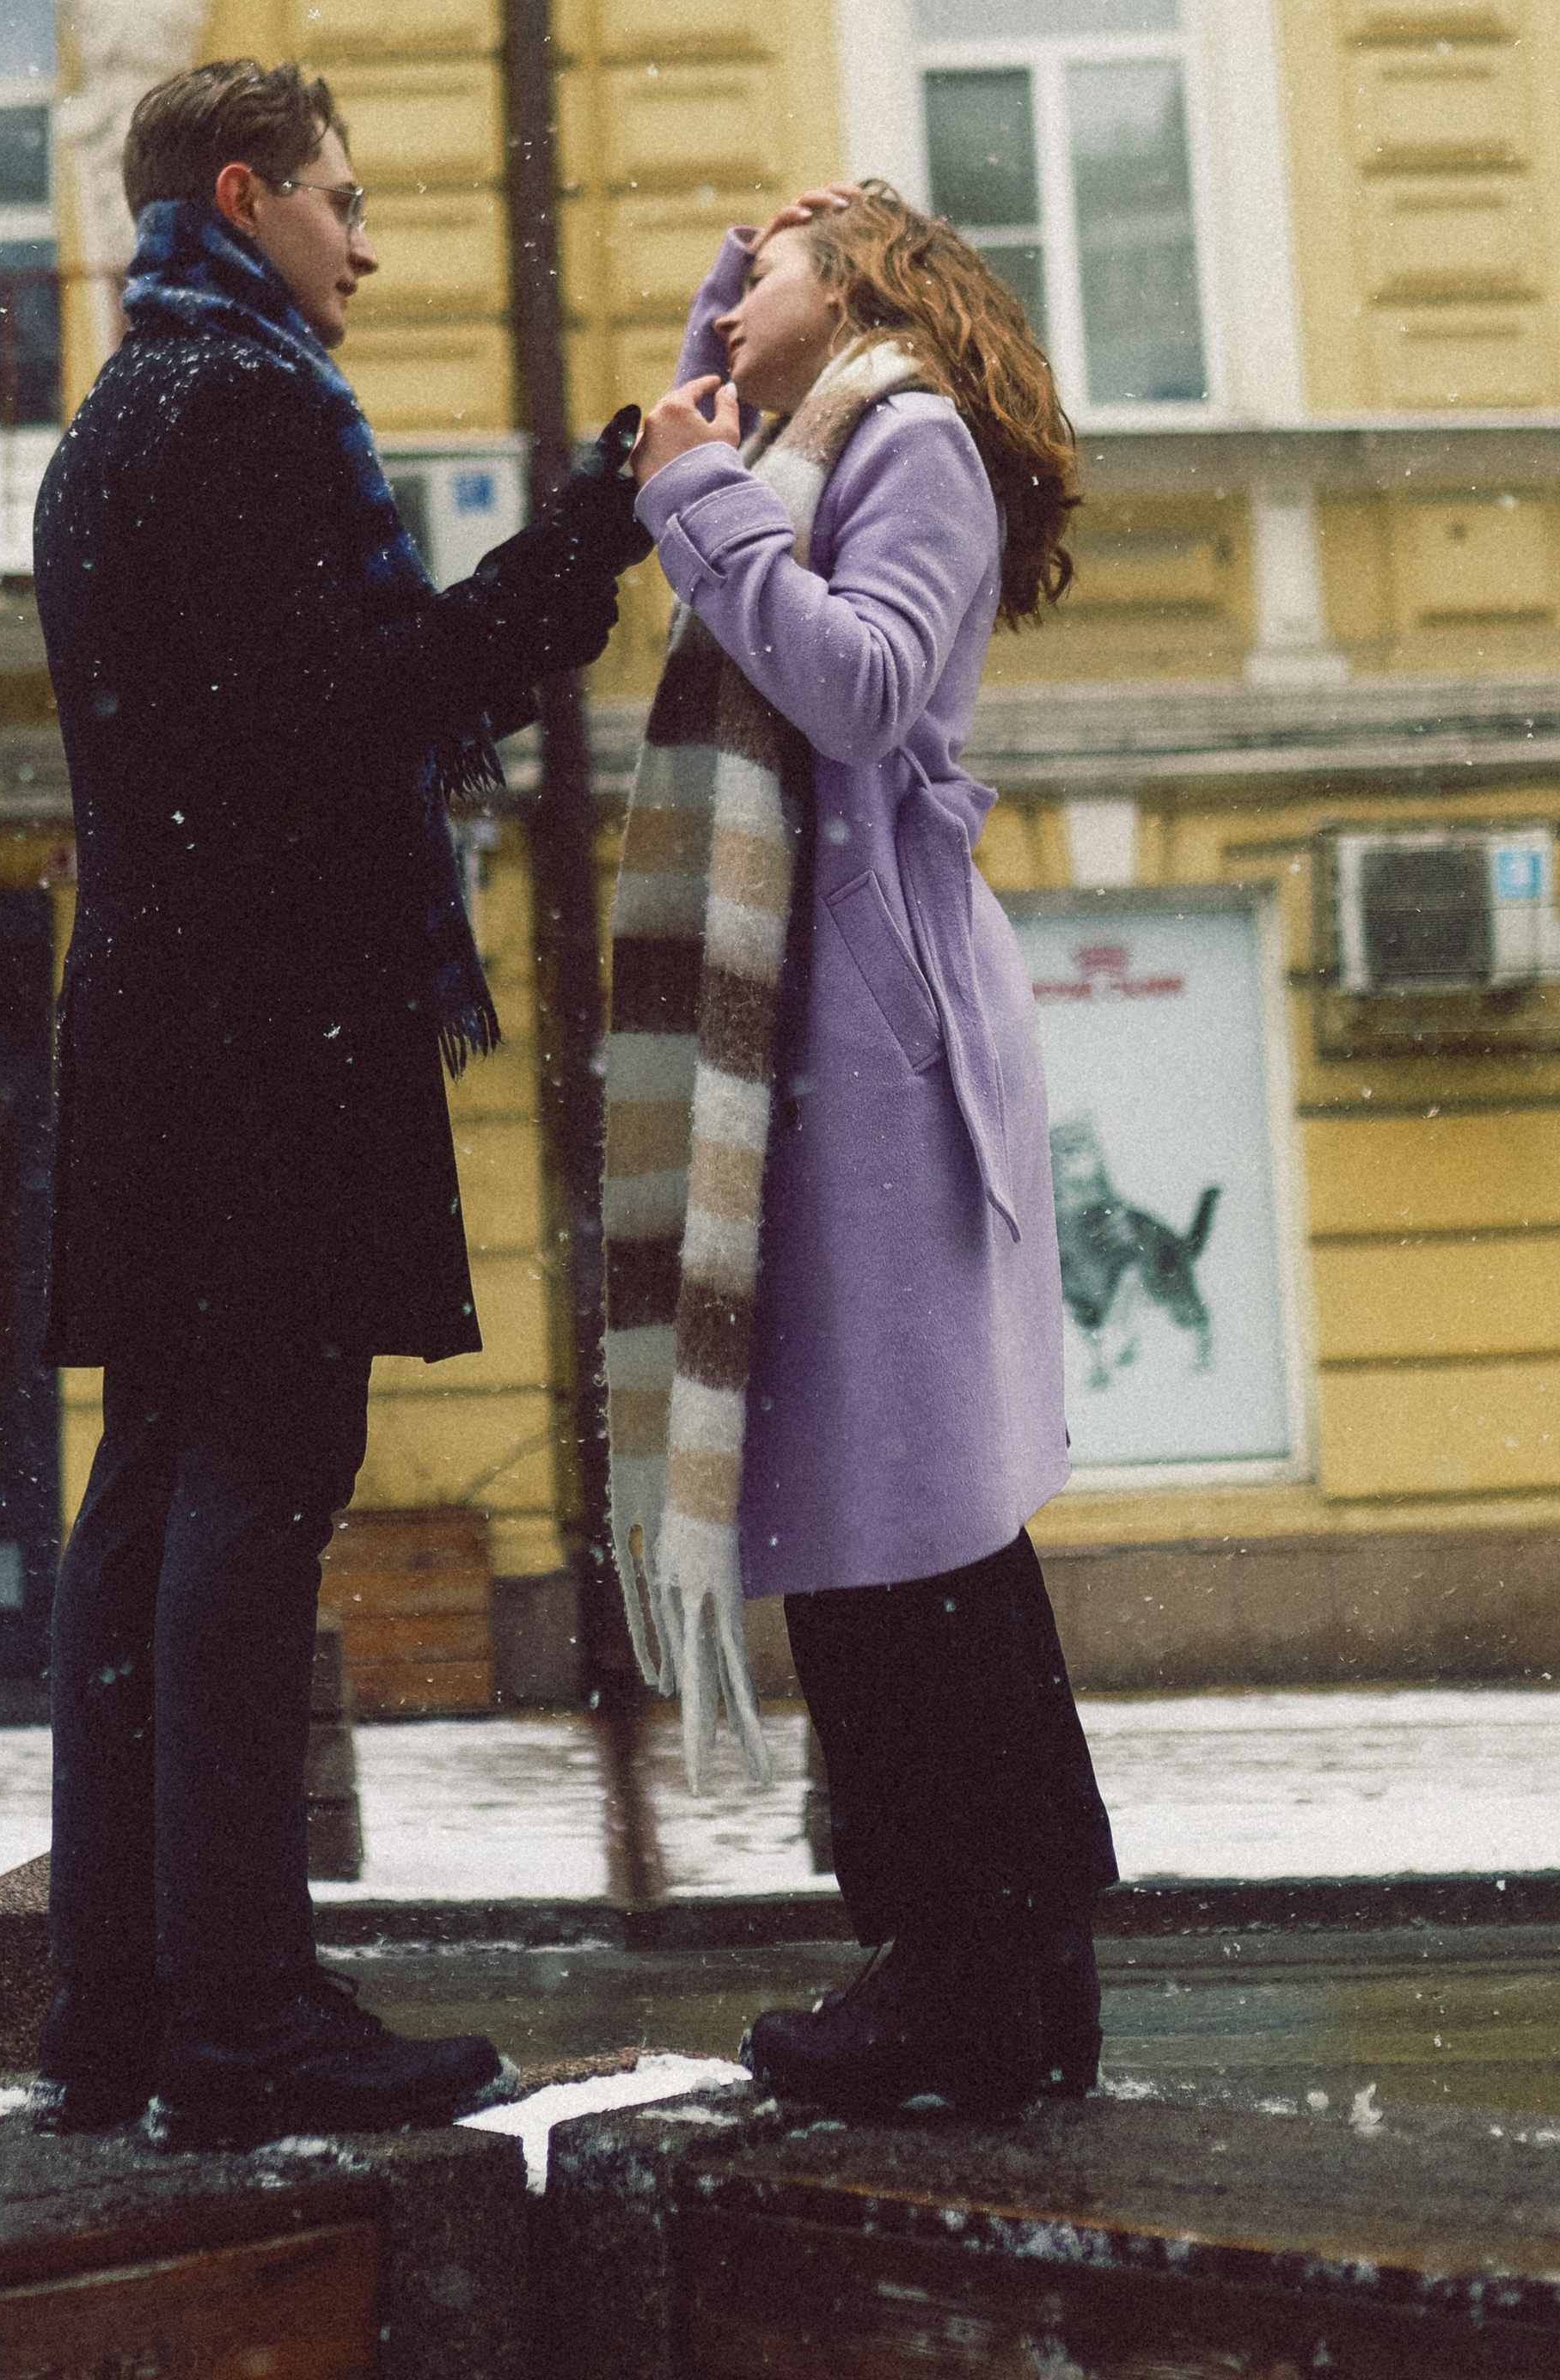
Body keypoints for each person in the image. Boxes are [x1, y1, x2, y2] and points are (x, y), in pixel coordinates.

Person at [34, 57, 645, 2148]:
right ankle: (236, 2012)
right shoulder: (250, 408)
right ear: (243, 196)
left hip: (155, 1012)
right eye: (338, 200)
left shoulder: (115, 419)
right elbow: (357, 706)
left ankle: (113, 2002)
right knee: (255, 1483)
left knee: (156, 1486)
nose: (364, 244)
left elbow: (242, 725)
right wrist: (596, 525)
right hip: (264, 1029)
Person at [603, 178, 1116, 2122]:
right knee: (892, 1522)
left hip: (870, 1033)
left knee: (900, 1526)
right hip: (823, 1028)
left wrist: (693, 495)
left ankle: (963, 1967)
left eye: (766, 269)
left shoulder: (903, 438)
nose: (730, 295)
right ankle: (1002, 1958)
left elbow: (863, 678)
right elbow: (712, 475)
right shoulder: (823, 440)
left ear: (869, 286)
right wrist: (693, 448)